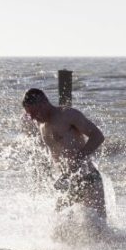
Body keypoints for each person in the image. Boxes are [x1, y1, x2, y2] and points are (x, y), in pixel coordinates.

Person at [21, 87, 107, 219]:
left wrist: (79, 158)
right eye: (29, 114)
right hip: (68, 183)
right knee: (58, 231)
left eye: (34, 112)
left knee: (98, 230)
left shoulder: (67, 115)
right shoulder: (41, 125)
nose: (32, 117)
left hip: (88, 179)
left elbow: (98, 136)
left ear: (44, 103)